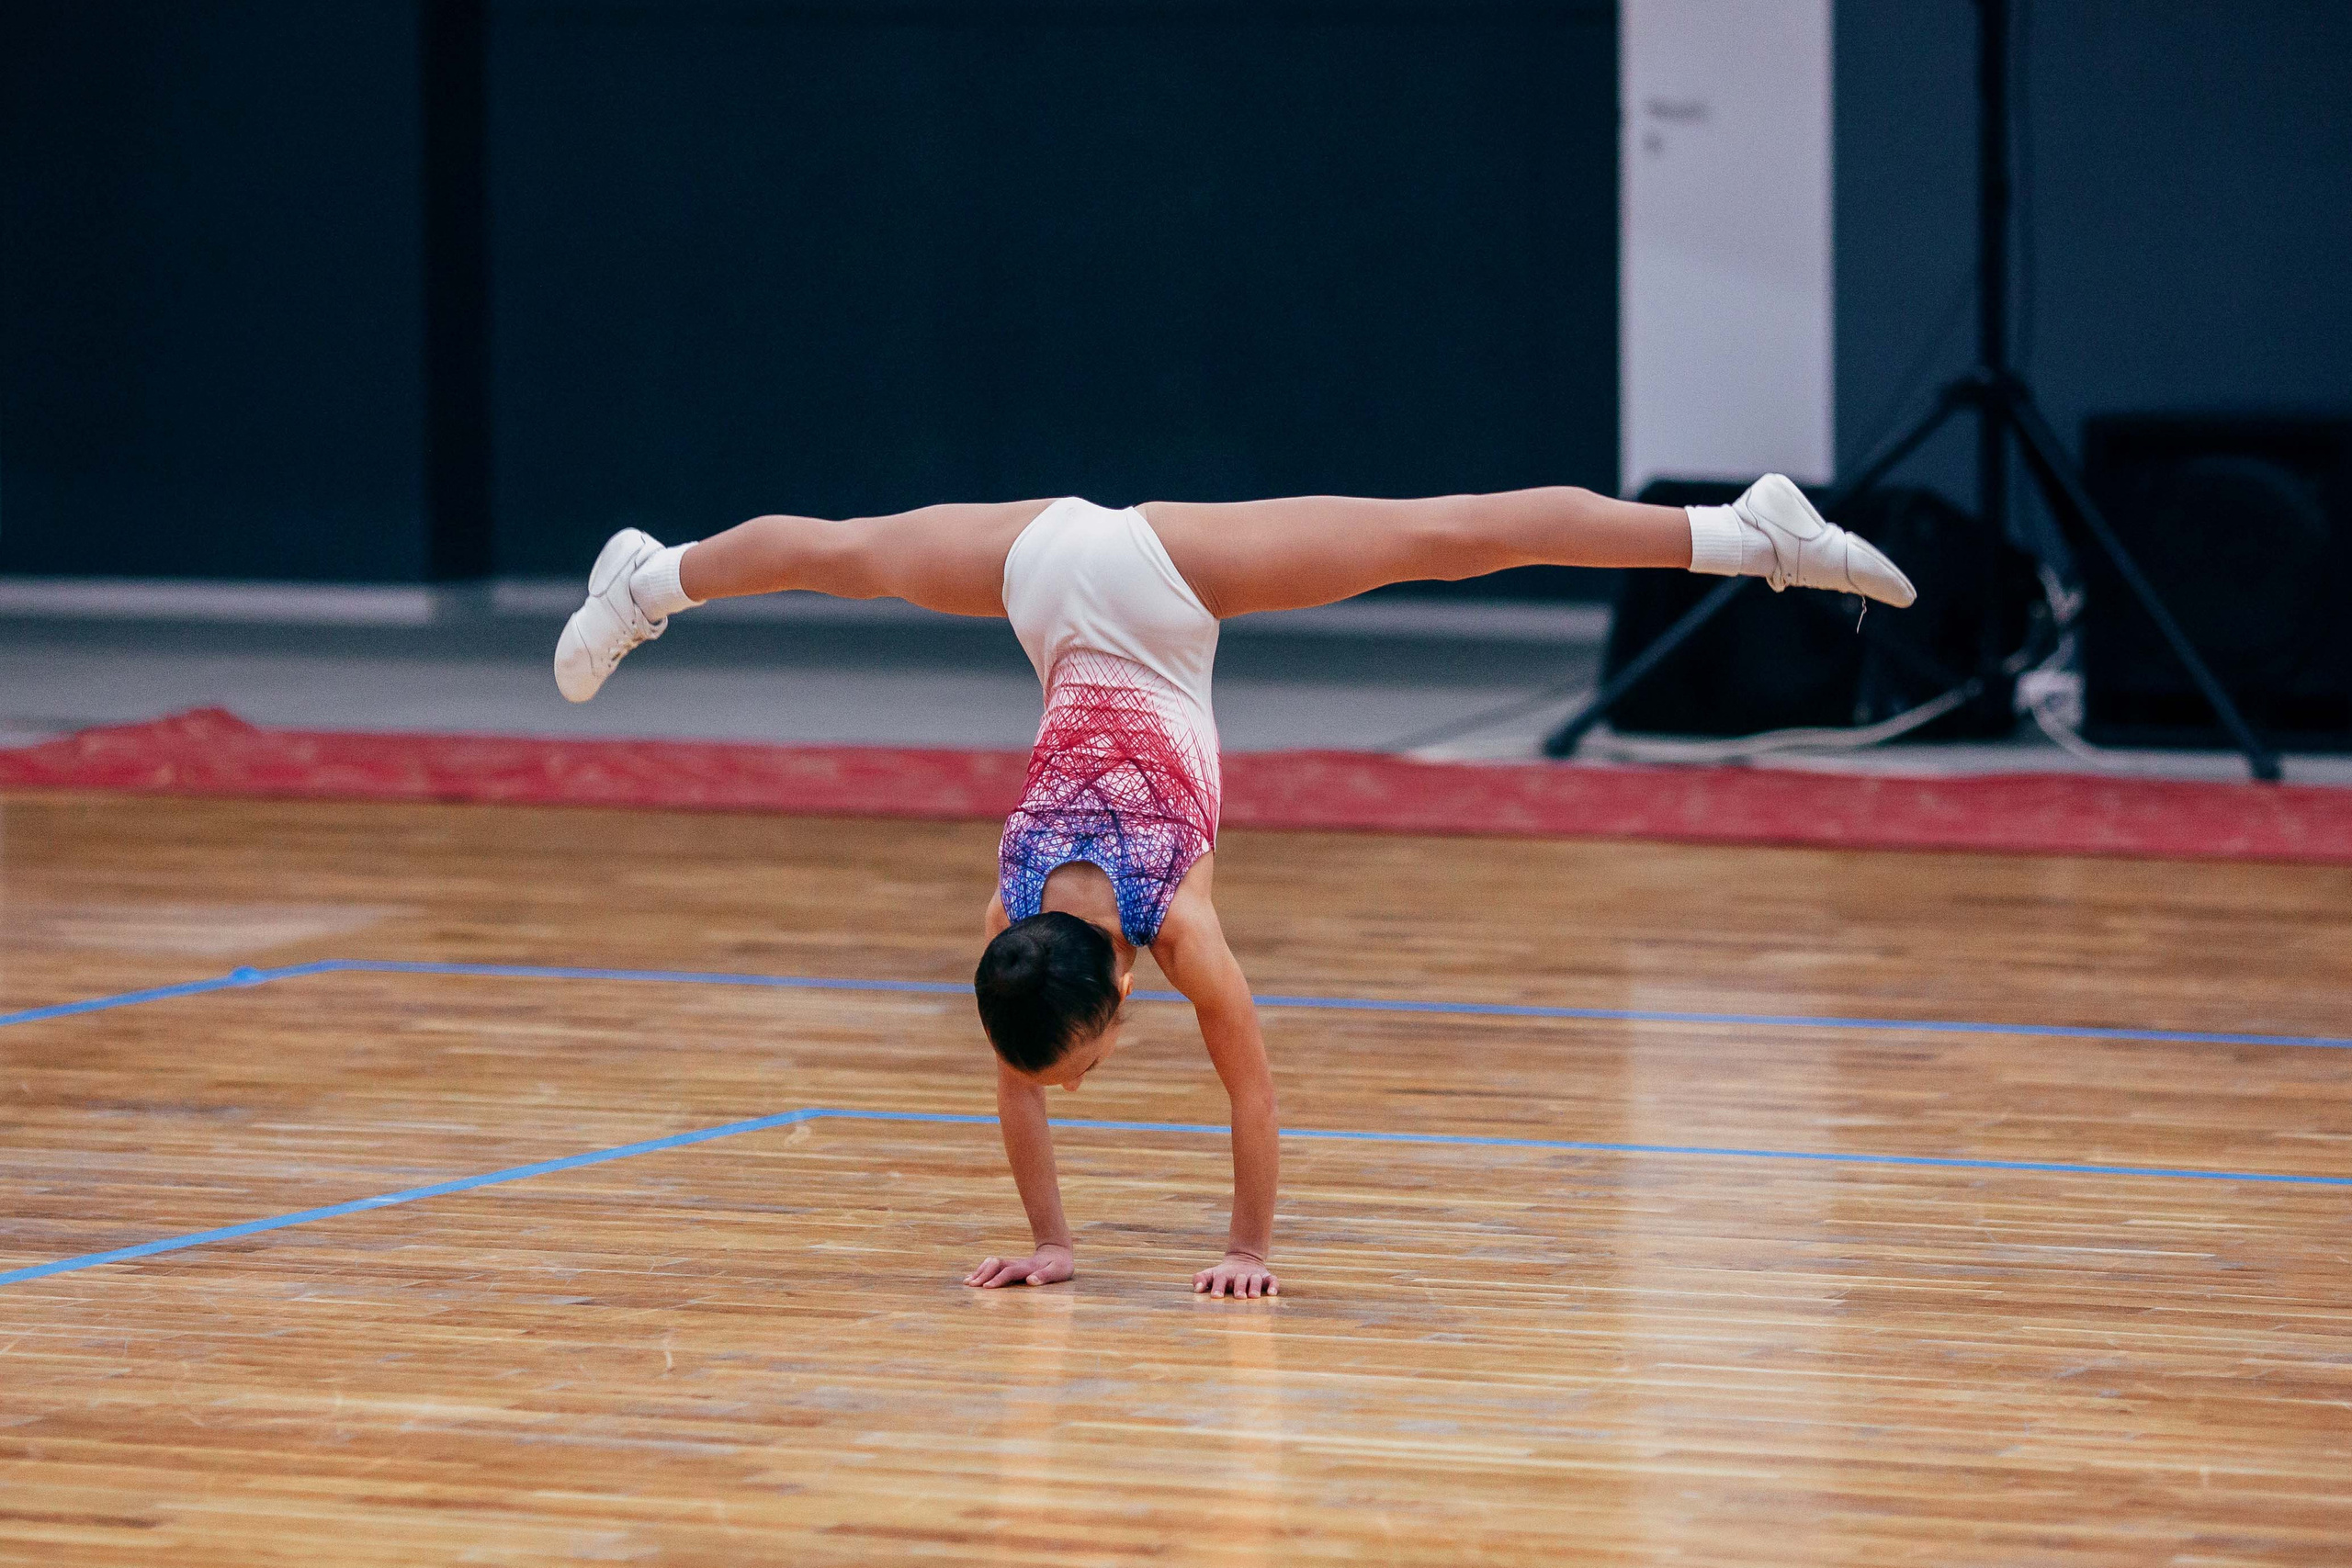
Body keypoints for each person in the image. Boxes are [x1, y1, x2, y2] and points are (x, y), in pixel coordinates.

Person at [554, 480, 1914, 1298]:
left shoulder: (1177, 918)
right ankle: (652, 575)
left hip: (1146, 587)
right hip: (1043, 576)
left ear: (1124, 979)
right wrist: (1054, 1248)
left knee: (1445, 537)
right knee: (837, 555)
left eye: (1086, 1065)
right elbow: (1019, 1076)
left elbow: (1251, 1085)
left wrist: (1249, 1247)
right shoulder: (1014, 932)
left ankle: (1751, 533)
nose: (1073, 1082)